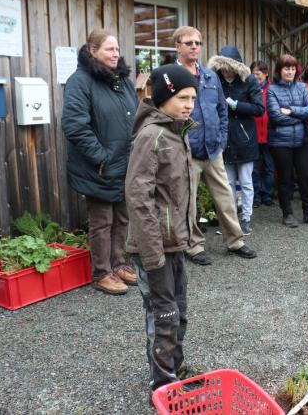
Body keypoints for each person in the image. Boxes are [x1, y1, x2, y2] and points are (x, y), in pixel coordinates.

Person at [125, 64, 197, 395]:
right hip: (154, 249)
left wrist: (189, 235)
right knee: (163, 315)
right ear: (164, 95)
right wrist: (153, 256)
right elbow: (140, 200)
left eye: (193, 98)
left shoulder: (175, 133)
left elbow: (177, 195)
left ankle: (175, 368)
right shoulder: (151, 136)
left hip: (174, 244)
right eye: (182, 97)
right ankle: (163, 386)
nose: (188, 105)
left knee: (178, 312)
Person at [62, 29, 139, 295]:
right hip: (100, 167)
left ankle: (118, 264)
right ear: (92, 51)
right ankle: (101, 273)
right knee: (102, 221)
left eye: (117, 49)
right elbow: (74, 126)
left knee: (122, 218)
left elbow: (135, 116)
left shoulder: (122, 81)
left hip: (125, 163)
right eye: (109, 49)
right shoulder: (80, 81)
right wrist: (101, 157)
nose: (116, 53)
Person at [173, 26, 256, 264]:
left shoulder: (210, 76)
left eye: (197, 42)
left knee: (225, 197)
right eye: (188, 42)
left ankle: (235, 241)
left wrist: (221, 139)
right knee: (187, 201)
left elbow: (221, 110)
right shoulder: (170, 76)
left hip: (213, 149)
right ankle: (193, 246)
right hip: (186, 150)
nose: (194, 46)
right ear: (177, 46)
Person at [207, 46, 265, 236]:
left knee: (246, 182)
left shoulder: (249, 81)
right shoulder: (216, 81)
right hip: (224, 139)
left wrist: (236, 105)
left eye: (228, 67)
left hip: (245, 138)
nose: (225, 71)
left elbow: (259, 108)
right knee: (228, 183)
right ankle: (230, 222)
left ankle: (246, 219)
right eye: (222, 67)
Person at [266, 54, 308, 228]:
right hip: (280, 142)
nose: (290, 72)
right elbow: (275, 116)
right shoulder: (272, 90)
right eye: (286, 68)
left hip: (302, 140)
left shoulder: (303, 87)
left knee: (306, 176)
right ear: (279, 70)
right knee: (285, 178)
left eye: (292, 68)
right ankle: (287, 213)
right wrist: (300, 114)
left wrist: (290, 111)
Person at [250, 60, 274, 208]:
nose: (257, 76)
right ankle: (256, 196)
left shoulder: (273, 89)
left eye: (259, 73)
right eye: (254, 73)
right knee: (254, 168)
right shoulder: (249, 89)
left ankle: (268, 195)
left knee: (269, 167)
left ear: (266, 74)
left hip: (270, 135)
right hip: (253, 135)